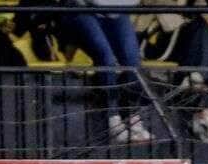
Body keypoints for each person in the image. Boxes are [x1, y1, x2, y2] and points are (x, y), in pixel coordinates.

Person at [59, 0, 154, 143]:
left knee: (132, 60)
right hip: (81, 10)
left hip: (114, 11)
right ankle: (113, 119)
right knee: (106, 57)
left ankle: (133, 117)